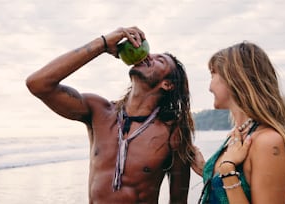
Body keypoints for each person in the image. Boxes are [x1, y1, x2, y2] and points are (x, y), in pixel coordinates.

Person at [26, 26, 195, 203]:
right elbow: (38, 84)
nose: (148, 55)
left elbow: (179, 201)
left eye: (160, 60)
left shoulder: (173, 131)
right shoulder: (98, 111)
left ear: (167, 84)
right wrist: (103, 44)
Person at [192, 41, 285, 203]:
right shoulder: (239, 135)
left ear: (233, 78)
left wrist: (227, 171)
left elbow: (230, 175)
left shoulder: (268, 142)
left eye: (213, 75)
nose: (209, 87)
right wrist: (206, 169)